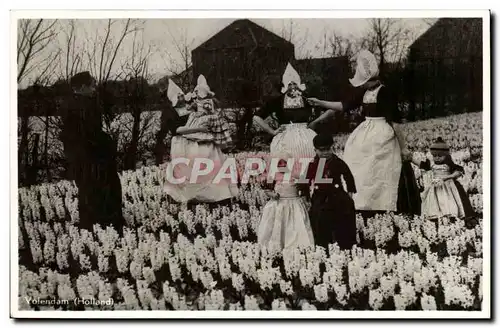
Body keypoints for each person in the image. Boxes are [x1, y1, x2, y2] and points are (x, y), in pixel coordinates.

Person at [307, 50, 421, 218]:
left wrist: (403, 148)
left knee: (382, 167)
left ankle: (382, 204)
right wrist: (319, 102)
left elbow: (395, 122)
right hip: (367, 130)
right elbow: (343, 105)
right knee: (357, 160)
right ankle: (364, 202)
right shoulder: (365, 92)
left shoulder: (385, 92)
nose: (360, 85)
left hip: (383, 133)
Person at [60, 71, 125, 234]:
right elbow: (92, 133)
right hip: (94, 156)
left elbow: (69, 134)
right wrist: (109, 142)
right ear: (82, 87)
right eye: (92, 84)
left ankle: (89, 224)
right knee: (106, 186)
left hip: (78, 156)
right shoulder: (88, 105)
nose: (95, 87)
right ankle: (108, 223)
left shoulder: (67, 104)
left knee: (86, 189)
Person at [164, 75, 238, 204]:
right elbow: (177, 130)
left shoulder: (190, 107)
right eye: (179, 96)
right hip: (183, 140)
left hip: (194, 139)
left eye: (182, 95)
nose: (182, 98)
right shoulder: (171, 112)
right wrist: (198, 129)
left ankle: (216, 194)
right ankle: (191, 195)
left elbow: (203, 110)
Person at [253, 62, 317, 173]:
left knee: (309, 165)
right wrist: (272, 131)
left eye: (295, 84)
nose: (292, 87)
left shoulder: (307, 99)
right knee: (286, 168)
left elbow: (328, 108)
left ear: (299, 84)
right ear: (285, 85)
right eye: (289, 84)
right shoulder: (278, 101)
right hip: (285, 136)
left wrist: (315, 123)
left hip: (307, 135)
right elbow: (257, 117)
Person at [301, 134, 357, 251]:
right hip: (320, 197)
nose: (325, 153)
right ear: (315, 150)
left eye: (328, 149)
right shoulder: (313, 164)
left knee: (344, 217)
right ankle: (323, 245)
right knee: (319, 219)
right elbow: (305, 180)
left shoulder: (337, 162)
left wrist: (350, 192)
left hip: (337, 195)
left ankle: (346, 245)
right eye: (321, 150)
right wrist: (305, 196)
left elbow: (348, 176)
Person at [411, 137, 476, 222]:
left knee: (449, 200)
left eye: (440, 156)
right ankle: (438, 218)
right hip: (435, 186)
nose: (437, 158)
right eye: (434, 156)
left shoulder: (449, 163)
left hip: (448, 185)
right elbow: (422, 165)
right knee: (435, 201)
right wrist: (410, 158)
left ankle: (450, 216)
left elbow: (459, 171)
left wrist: (447, 177)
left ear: (446, 155)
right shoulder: (431, 163)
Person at [257, 160, 315, 250]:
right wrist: (272, 195)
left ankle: (298, 247)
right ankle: (277, 247)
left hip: (294, 204)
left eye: (285, 163)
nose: (283, 166)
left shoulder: (296, 176)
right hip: (279, 204)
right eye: (279, 164)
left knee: (295, 225)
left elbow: (304, 189)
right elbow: (267, 190)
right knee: (278, 225)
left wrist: (306, 200)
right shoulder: (273, 177)